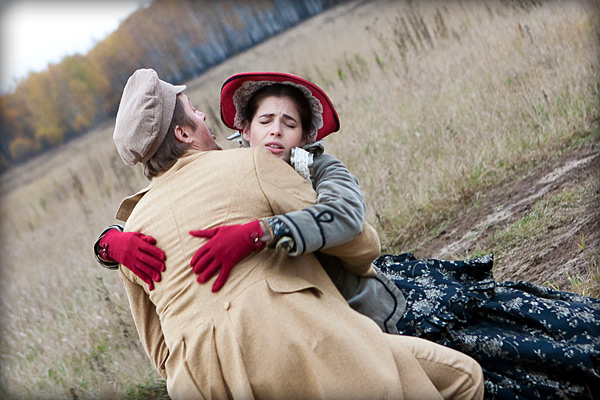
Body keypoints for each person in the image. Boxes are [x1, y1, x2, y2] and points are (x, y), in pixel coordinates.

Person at [107, 68, 485, 399]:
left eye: (289, 123)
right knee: (464, 378)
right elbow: (362, 244)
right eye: (193, 110)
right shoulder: (250, 162)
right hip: (299, 346)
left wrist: (107, 244)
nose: (204, 115)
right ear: (184, 132)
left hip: (199, 384)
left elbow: (159, 353)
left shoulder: (132, 230)